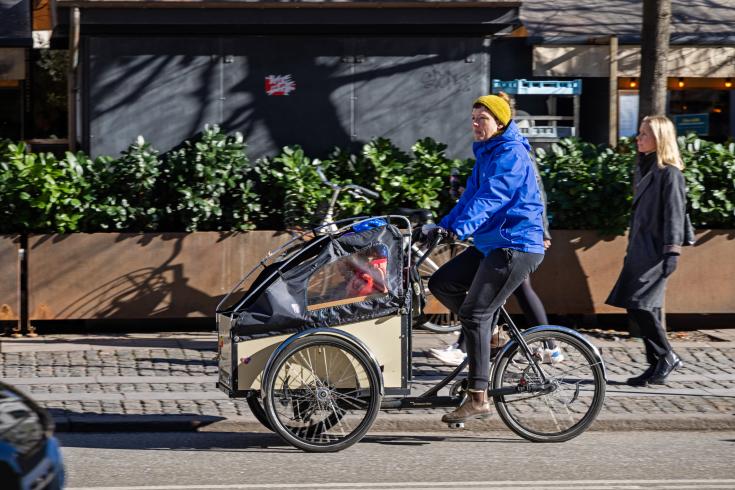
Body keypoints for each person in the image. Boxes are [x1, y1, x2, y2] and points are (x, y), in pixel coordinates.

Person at [422, 92, 545, 424]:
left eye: (483, 119)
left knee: (475, 314)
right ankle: (489, 336)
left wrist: (460, 228)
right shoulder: (487, 154)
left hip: (515, 244)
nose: (476, 125)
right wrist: (442, 226)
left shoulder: (511, 154)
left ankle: (478, 398)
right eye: (473, 119)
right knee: (442, 282)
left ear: (501, 122)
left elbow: (493, 197)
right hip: (492, 243)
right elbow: (470, 198)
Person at [606, 115, 687, 386]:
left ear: (659, 139)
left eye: (644, 134)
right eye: (639, 133)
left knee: (641, 304)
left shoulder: (670, 173)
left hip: (656, 250)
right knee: (636, 304)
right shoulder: (646, 167)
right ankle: (656, 362)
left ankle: (666, 357)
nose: (638, 138)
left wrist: (672, 252)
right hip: (640, 248)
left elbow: (675, 214)